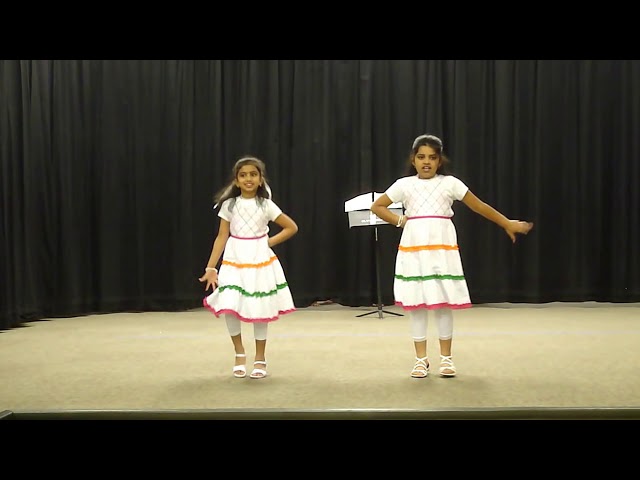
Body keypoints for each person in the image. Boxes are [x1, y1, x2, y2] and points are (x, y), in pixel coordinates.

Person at [371, 134, 533, 379]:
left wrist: (506, 223)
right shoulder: (404, 185)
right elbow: (378, 206)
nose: (427, 162)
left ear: (440, 161)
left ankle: (446, 358)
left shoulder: (450, 183)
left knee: (442, 301)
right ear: (413, 160)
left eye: (432, 158)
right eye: (421, 157)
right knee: (418, 303)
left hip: (442, 246)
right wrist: (401, 220)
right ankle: (420, 359)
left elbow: (479, 206)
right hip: (415, 247)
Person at [199, 156, 298, 379]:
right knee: (231, 304)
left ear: (261, 179)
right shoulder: (229, 205)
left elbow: (290, 227)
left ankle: (260, 358)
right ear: (236, 181)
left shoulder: (266, 205)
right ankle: (239, 353)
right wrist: (211, 267)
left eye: (253, 174)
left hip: (259, 260)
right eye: (243, 175)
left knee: (259, 307)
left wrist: (267, 242)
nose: (248, 179)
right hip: (234, 260)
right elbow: (221, 236)